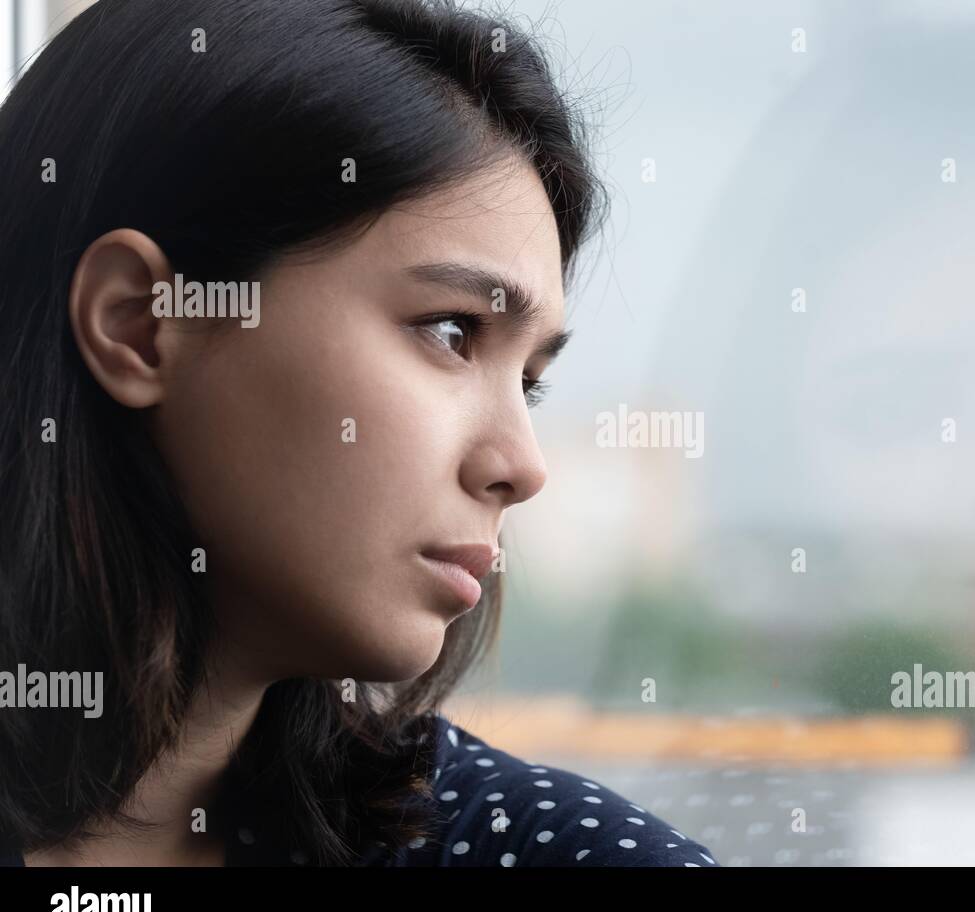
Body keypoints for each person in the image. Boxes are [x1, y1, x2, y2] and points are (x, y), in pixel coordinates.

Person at [0, 0, 719, 868]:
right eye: (453, 332)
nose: (522, 467)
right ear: (142, 323)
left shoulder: (550, 855)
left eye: (531, 382)